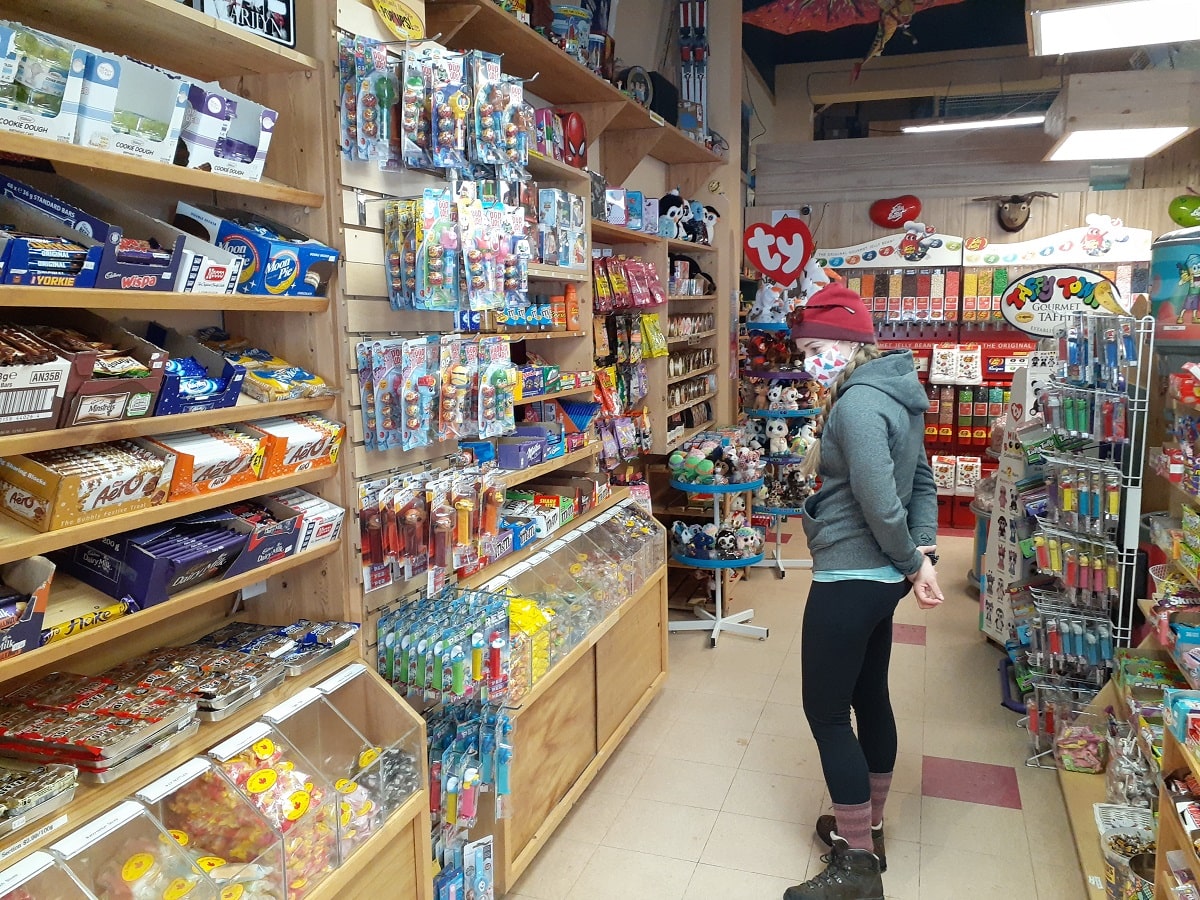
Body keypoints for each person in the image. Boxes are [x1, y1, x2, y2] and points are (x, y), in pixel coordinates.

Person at [782, 285, 944, 900]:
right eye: (806, 349)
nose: (810, 360)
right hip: (881, 581)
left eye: (818, 347)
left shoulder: (855, 406)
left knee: (825, 710)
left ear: (849, 343)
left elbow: (880, 501)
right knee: (869, 694)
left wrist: (911, 561)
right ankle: (867, 825)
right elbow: (922, 483)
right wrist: (920, 554)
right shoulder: (899, 392)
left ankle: (857, 870)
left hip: (851, 574)